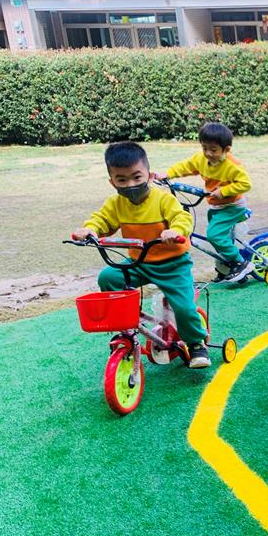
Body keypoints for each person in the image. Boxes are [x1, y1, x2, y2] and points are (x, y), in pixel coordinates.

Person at [72, 141, 210, 368]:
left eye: (137, 177)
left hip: (172, 265)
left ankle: (196, 343)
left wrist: (175, 231)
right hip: (139, 263)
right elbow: (102, 219)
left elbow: (181, 217)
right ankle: (126, 325)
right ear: (112, 182)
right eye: (121, 180)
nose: (130, 185)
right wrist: (90, 230)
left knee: (184, 307)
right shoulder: (116, 203)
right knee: (109, 277)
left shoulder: (163, 199)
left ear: (149, 175)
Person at [160, 122, 254, 283]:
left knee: (214, 235)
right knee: (221, 239)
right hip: (216, 206)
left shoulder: (232, 166)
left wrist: (223, 191)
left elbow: (246, 184)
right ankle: (225, 268)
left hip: (232, 206)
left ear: (226, 149)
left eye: (213, 150)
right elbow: (186, 166)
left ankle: (240, 263)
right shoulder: (201, 159)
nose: (208, 153)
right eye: (204, 148)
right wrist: (167, 174)